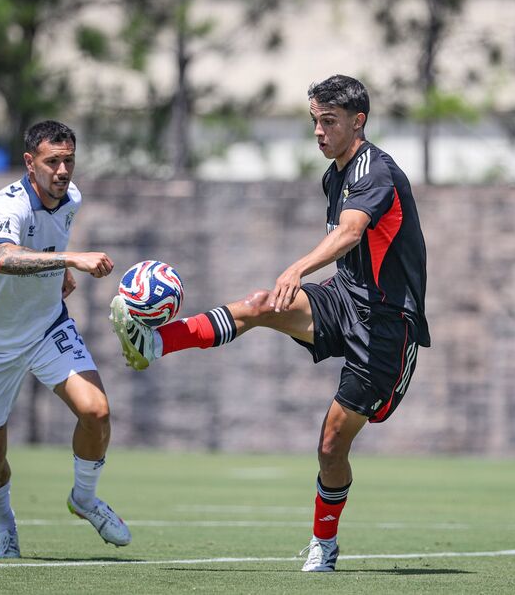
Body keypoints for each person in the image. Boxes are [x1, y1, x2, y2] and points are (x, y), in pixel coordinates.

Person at [110, 74, 430, 572]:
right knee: (260, 304)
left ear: (358, 121)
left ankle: (324, 541)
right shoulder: (335, 174)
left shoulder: (375, 172)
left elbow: (350, 233)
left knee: (330, 445)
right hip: (345, 298)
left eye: (329, 121)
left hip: (388, 324)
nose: (319, 132)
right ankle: (154, 343)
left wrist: (298, 268)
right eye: (314, 121)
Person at [0, 120, 131, 558]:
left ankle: (85, 499)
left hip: (46, 327)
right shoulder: (6, 208)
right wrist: (73, 258)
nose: (63, 170)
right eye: (52, 161)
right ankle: (4, 522)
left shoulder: (70, 198)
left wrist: (60, 269)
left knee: (97, 410)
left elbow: (46, 245)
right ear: (30, 163)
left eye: (69, 160)